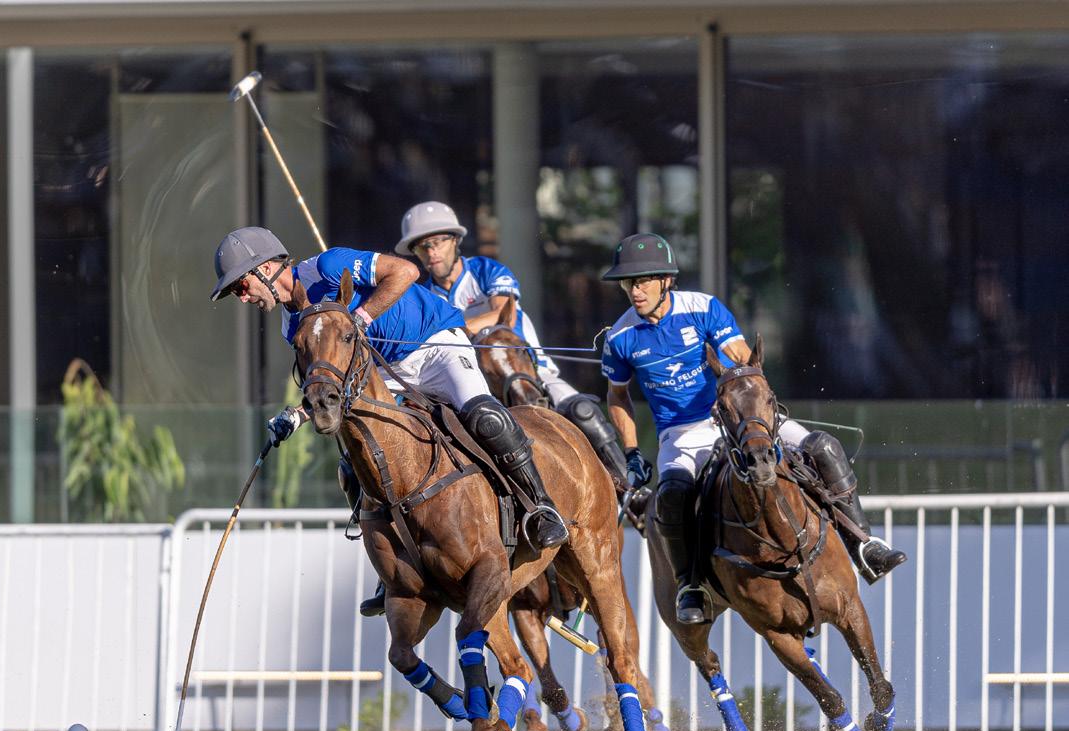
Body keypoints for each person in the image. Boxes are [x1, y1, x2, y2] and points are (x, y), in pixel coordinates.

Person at [209, 226, 572, 613]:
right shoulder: (293, 324)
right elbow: (330, 385)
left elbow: (406, 271)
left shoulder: (328, 266)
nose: (242, 297)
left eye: (241, 285)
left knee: (485, 418)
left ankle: (541, 508)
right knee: (355, 462)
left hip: (434, 343)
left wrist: (360, 318)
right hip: (382, 372)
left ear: (266, 267)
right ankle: (392, 568)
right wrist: (296, 417)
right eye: (236, 292)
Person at [599, 233, 906, 625]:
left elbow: (743, 360)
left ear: (666, 280)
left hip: (736, 417)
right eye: (628, 283)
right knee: (673, 495)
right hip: (681, 432)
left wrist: (741, 402)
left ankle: (864, 545)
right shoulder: (620, 337)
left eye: (642, 281)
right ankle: (690, 585)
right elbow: (617, 396)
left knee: (823, 447)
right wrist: (631, 452)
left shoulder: (703, 308)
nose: (634, 291)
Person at [396, 201, 630, 489]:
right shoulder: (424, 296)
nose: (431, 252)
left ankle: (628, 485)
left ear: (455, 240)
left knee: (583, 410)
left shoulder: (486, 270)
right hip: (474, 384)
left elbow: (502, 313)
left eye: (437, 242)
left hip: (526, 371)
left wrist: (452, 327)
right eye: (421, 247)